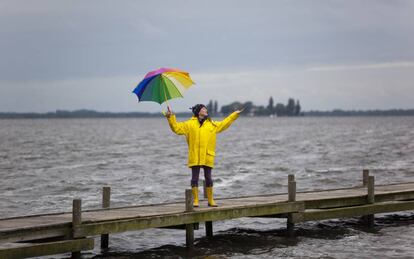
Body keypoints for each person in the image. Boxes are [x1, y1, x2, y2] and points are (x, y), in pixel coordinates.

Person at [165, 104, 243, 207]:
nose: (206, 110)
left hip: (207, 155)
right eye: (203, 109)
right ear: (198, 112)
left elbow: (224, 123)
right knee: (194, 178)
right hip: (195, 155)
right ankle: (196, 200)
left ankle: (210, 200)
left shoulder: (211, 124)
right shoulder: (189, 124)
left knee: (208, 178)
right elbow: (176, 128)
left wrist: (234, 115)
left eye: (206, 109)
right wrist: (170, 117)